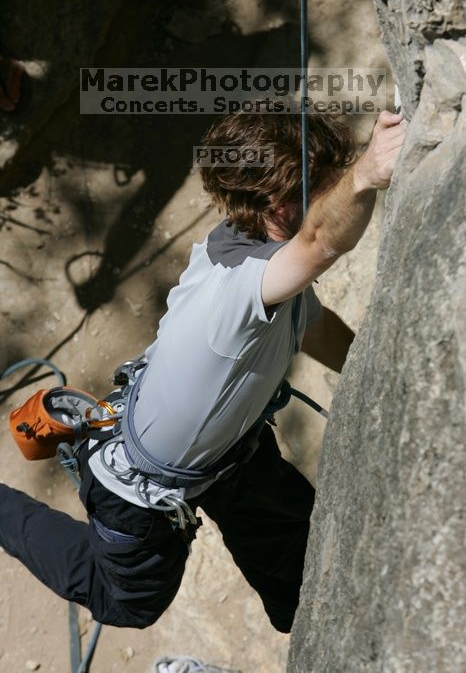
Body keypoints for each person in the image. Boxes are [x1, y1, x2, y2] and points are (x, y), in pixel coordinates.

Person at [0, 110, 406, 639]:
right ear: (276, 208)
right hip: (140, 494)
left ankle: (320, 634)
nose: (335, 185)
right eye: (322, 181)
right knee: (125, 603)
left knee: (306, 573)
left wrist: (382, 378)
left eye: (334, 172)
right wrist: (367, 173)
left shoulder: (262, 254)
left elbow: (316, 328)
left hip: (234, 455)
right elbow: (320, 243)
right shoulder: (238, 287)